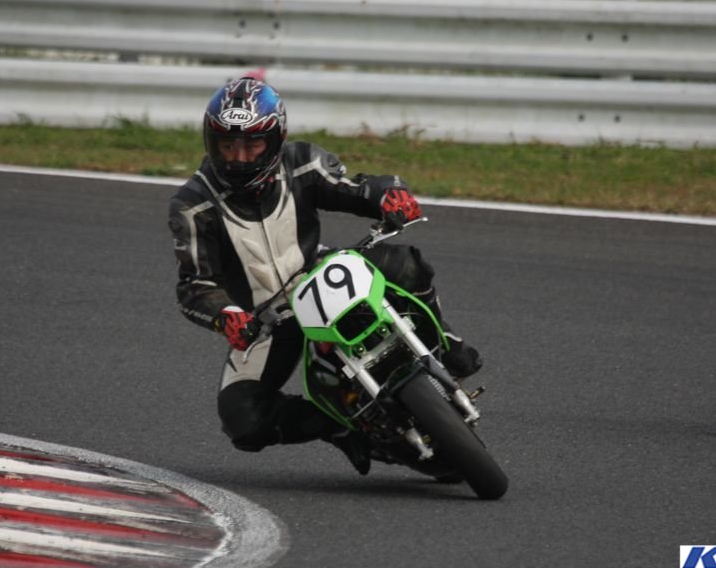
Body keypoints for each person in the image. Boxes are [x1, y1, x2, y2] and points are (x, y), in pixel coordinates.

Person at [168, 77, 482, 473]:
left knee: (405, 264)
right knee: (241, 419)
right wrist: (226, 316)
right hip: (265, 320)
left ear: (276, 139)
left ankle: (445, 342)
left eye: (252, 145)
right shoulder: (192, 205)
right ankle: (342, 428)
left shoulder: (302, 163)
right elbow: (194, 285)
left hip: (321, 277)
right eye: (227, 146)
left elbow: (357, 188)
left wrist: (390, 195)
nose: (240, 159)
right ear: (210, 143)